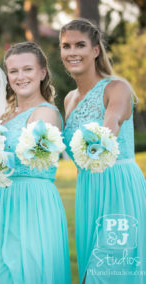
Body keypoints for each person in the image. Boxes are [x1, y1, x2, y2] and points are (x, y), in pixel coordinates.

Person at [60, 19, 146, 283]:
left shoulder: (116, 87)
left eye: (80, 45)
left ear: (95, 50)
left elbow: (113, 122)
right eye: (66, 46)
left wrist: (104, 133)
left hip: (118, 188)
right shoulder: (68, 99)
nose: (72, 52)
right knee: (90, 271)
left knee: (110, 272)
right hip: (88, 191)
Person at [0, 42, 71, 283]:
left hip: (32, 202)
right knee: (4, 271)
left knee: (29, 269)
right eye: (13, 71)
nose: (20, 77)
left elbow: (33, 158)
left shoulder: (45, 113)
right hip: (4, 201)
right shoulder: (6, 116)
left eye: (28, 69)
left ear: (43, 72)